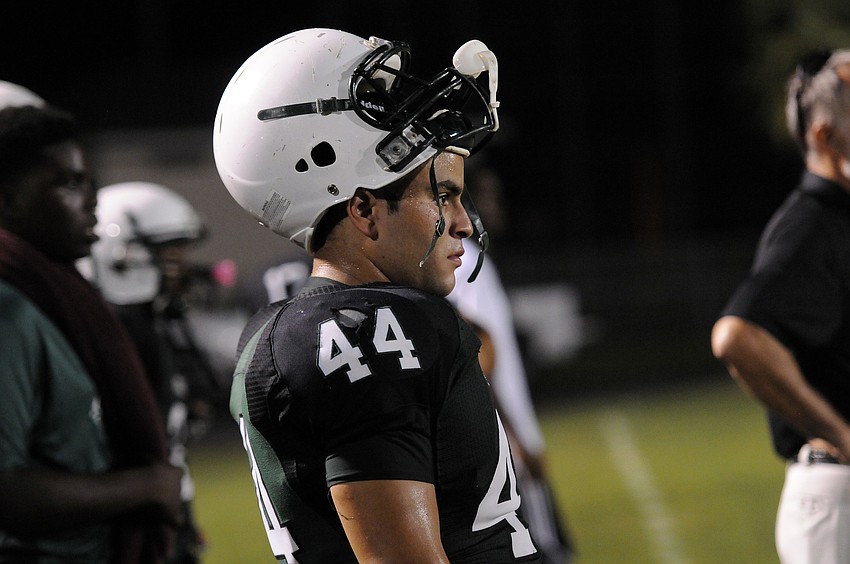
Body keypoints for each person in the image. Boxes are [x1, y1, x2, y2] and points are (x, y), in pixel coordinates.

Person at [213, 27, 542, 562]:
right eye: (441, 195)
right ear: (363, 209)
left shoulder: (300, 327)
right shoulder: (367, 334)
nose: (461, 224)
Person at [0, 103, 183, 562]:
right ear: (7, 200)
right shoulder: (9, 306)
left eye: (89, 180)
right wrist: (146, 485)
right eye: (69, 182)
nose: (92, 197)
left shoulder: (52, 289)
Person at [712, 48, 850, 564]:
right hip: (838, 500)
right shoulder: (810, 226)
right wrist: (837, 432)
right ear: (824, 137)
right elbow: (737, 337)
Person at [81, 181, 218, 563]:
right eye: (170, 255)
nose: (182, 270)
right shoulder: (111, 335)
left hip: (164, 517)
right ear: (120, 254)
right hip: (124, 528)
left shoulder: (155, 326)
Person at [447, 167, 574, 564]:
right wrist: (515, 434)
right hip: (507, 446)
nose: (496, 207)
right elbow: (476, 353)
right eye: (487, 198)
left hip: (508, 440)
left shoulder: (474, 260)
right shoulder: (465, 263)